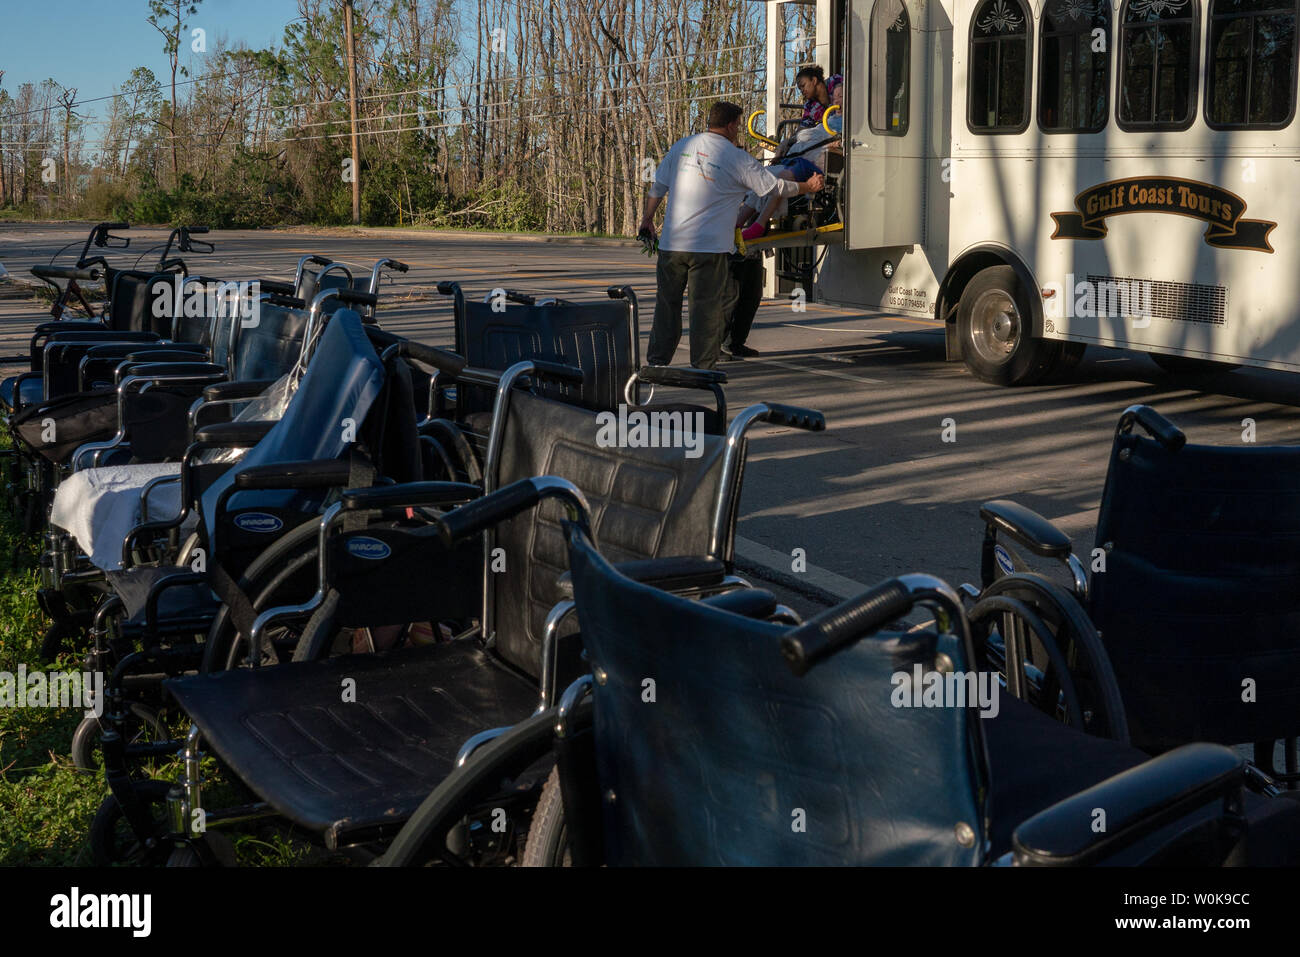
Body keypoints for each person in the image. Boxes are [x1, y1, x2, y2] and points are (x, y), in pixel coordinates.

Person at [640, 100, 824, 370]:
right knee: (704, 310)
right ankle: (702, 368)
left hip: (672, 246)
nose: (737, 130)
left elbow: (657, 188)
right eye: (738, 125)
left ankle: (657, 362)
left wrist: (647, 220)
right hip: (709, 250)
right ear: (730, 125)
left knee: (667, 305)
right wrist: (806, 185)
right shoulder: (735, 157)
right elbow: (774, 187)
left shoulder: (683, 147)